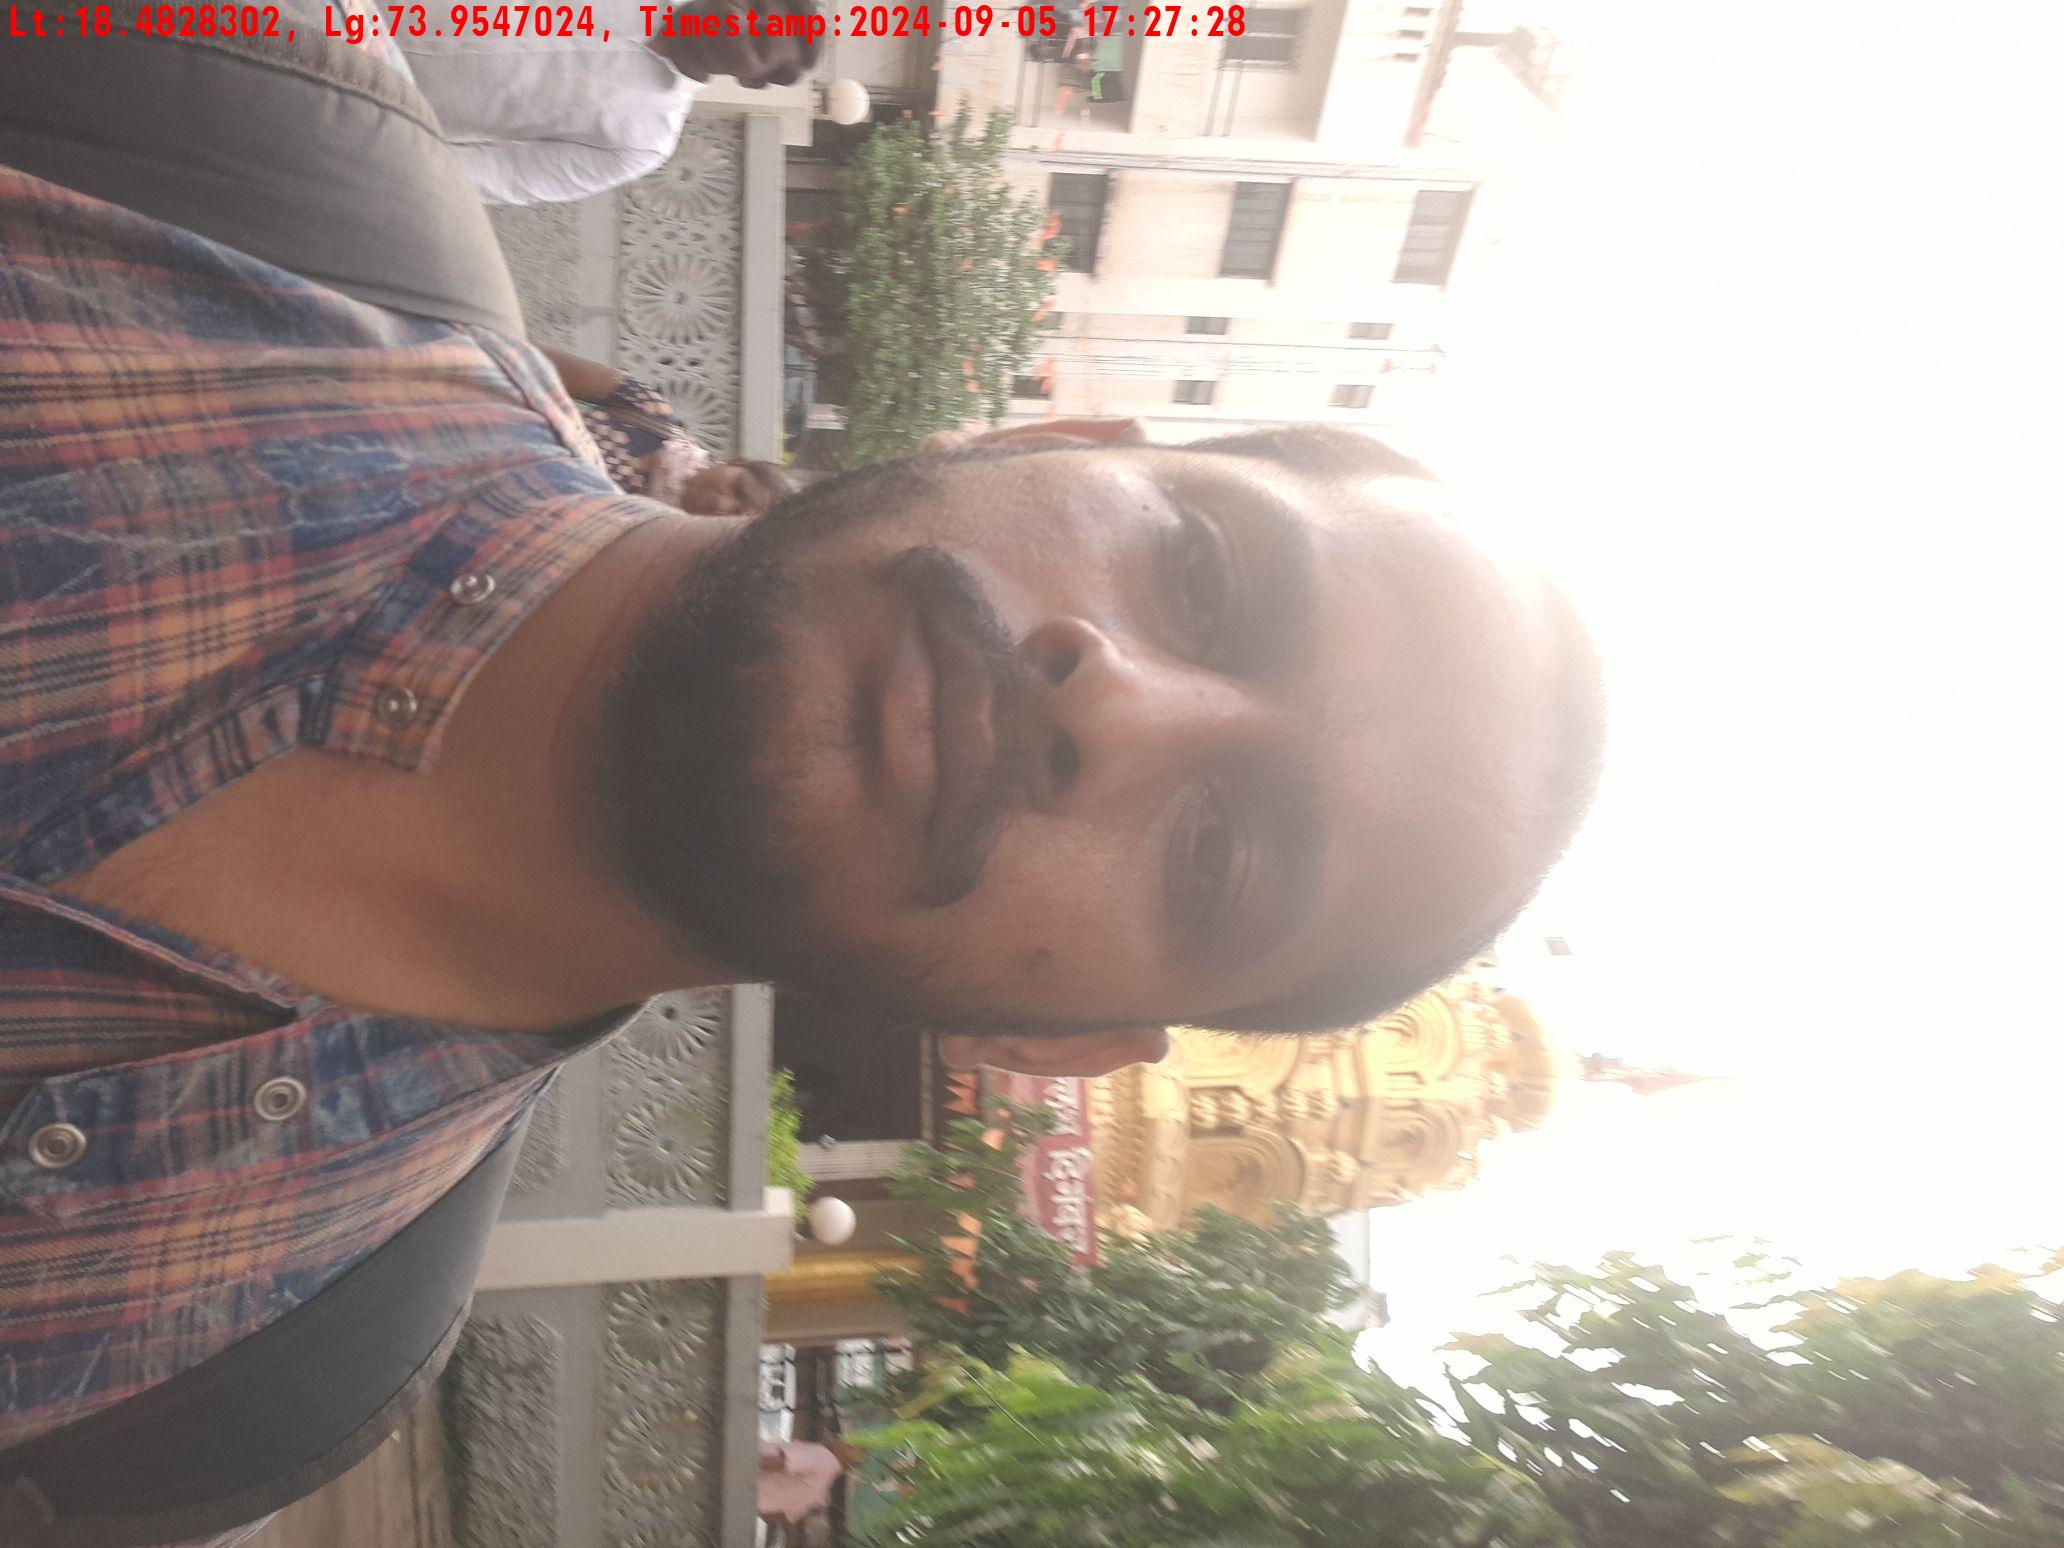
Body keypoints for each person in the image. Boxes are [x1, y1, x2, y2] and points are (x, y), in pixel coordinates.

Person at [0, 29, 1603, 1546]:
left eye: (1218, 858)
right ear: (1047, 436)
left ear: (1054, 1046)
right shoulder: (215, 116)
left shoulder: (250, 1381)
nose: (1116, 706)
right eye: (1198, 572)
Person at [399, 0, 823, 205]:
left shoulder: (644, 138)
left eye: (758, 40)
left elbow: (501, 175)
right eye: (752, 3)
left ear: (751, 80)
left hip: (381, 93)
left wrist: (382, 150)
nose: (736, 17)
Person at [541, 345, 802, 513]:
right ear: (737, 462)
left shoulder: (640, 540)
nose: (721, 503)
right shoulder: (650, 414)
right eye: (737, 488)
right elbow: (536, 361)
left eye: (736, 515)